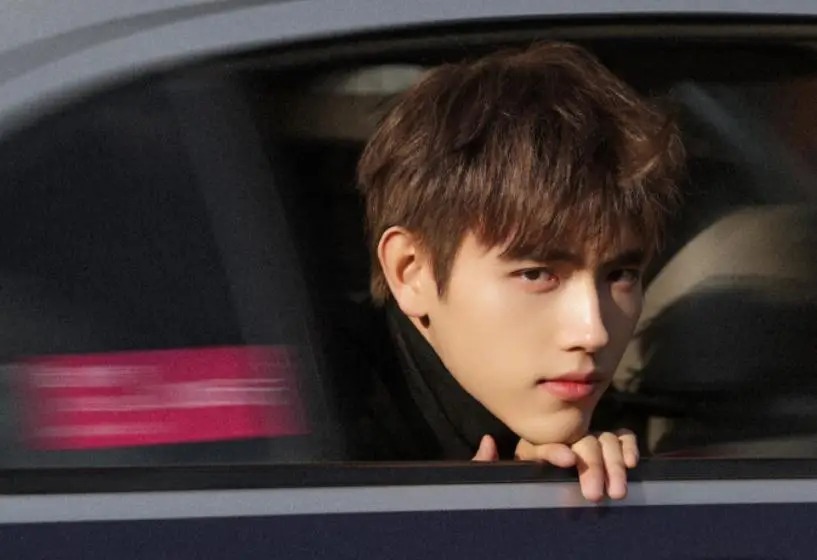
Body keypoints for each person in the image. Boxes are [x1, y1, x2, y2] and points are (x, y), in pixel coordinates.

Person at [342, 41, 684, 502]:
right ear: (410, 271)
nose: (594, 332)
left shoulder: (622, 426)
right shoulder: (325, 436)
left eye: (619, 275)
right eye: (537, 274)